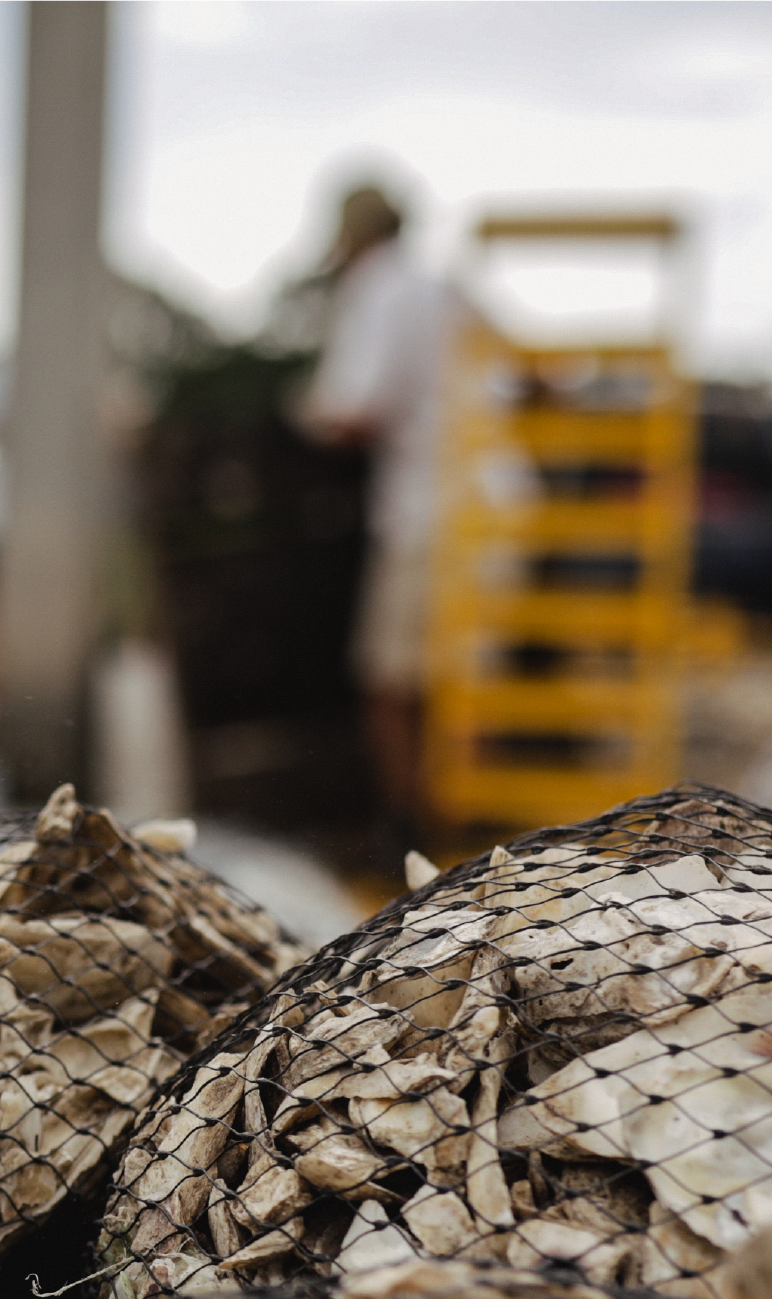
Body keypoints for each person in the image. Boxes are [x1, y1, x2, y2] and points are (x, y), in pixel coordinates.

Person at [299, 182, 459, 853]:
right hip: (498, 506)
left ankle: (410, 832)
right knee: (460, 681)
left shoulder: (377, 289)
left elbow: (351, 408)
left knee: (388, 682)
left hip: (428, 510)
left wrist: (306, 415)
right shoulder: (449, 289)